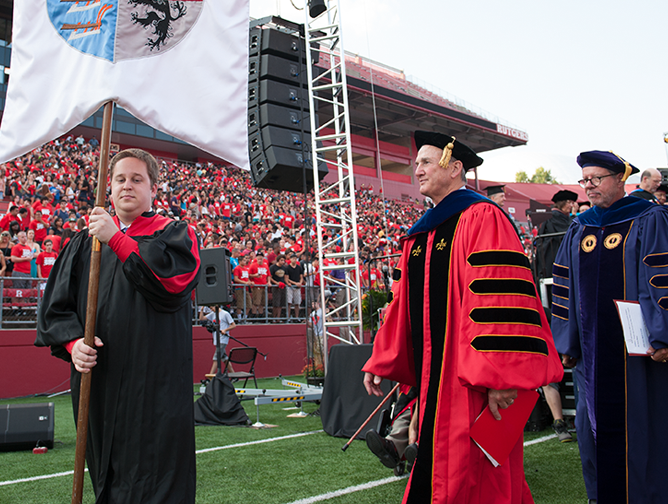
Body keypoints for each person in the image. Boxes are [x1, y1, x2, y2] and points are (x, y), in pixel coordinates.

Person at [362, 131, 562, 504]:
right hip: (435, 380)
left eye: (425, 161)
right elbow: (404, 304)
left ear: (455, 168)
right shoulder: (421, 234)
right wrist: (382, 358)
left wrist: (499, 376)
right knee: (441, 470)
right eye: (416, 162)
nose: (416, 169)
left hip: (471, 380)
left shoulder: (483, 216)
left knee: (480, 476)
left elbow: (500, 299)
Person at [35, 149, 200, 504]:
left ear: (154, 189)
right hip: (100, 381)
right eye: (120, 179)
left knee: (156, 480)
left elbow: (173, 285)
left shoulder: (173, 235)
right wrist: (73, 344)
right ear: (108, 189)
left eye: (137, 179)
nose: (128, 186)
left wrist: (116, 239)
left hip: (154, 385)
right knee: (106, 477)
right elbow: (56, 309)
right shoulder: (84, 243)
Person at [551, 150, 668, 504]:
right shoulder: (579, 227)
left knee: (644, 428)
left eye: (596, 179)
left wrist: (662, 335)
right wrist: (567, 343)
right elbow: (564, 287)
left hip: (640, 353)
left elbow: (660, 279)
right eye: (584, 180)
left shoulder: (649, 218)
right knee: (593, 432)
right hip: (592, 352)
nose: (589, 186)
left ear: (621, 179)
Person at [200, 306, 236, 375]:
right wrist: (202, 310)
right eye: (210, 308)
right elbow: (202, 318)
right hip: (216, 339)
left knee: (216, 358)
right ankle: (234, 374)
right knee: (224, 358)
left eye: (212, 308)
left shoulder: (225, 314)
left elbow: (233, 325)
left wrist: (225, 330)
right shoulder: (213, 314)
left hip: (222, 339)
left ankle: (210, 376)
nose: (211, 309)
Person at [285, 253, 304, 321]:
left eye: (295, 258)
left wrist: (300, 283)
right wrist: (295, 283)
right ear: (290, 259)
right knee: (289, 302)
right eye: (293, 258)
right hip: (290, 286)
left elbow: (301, 277)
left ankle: (296, 317)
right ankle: (288, 317)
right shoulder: (287, 268)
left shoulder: (299, 267)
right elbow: (287, 278)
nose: (294, 260)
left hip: (297, 287)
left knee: (297, 302)